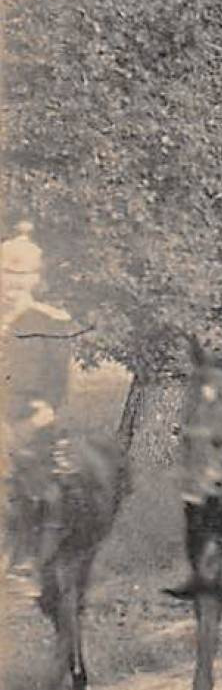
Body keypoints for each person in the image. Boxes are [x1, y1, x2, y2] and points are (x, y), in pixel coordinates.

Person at [2, 223, 86, 594]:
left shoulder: (48, 321)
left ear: (36, 278)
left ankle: (24, 558)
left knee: (36, 481)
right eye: (6, 273)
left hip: (27, 419)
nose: (13, 283)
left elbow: (56, 386)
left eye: (22, 275)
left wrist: (43, 411)